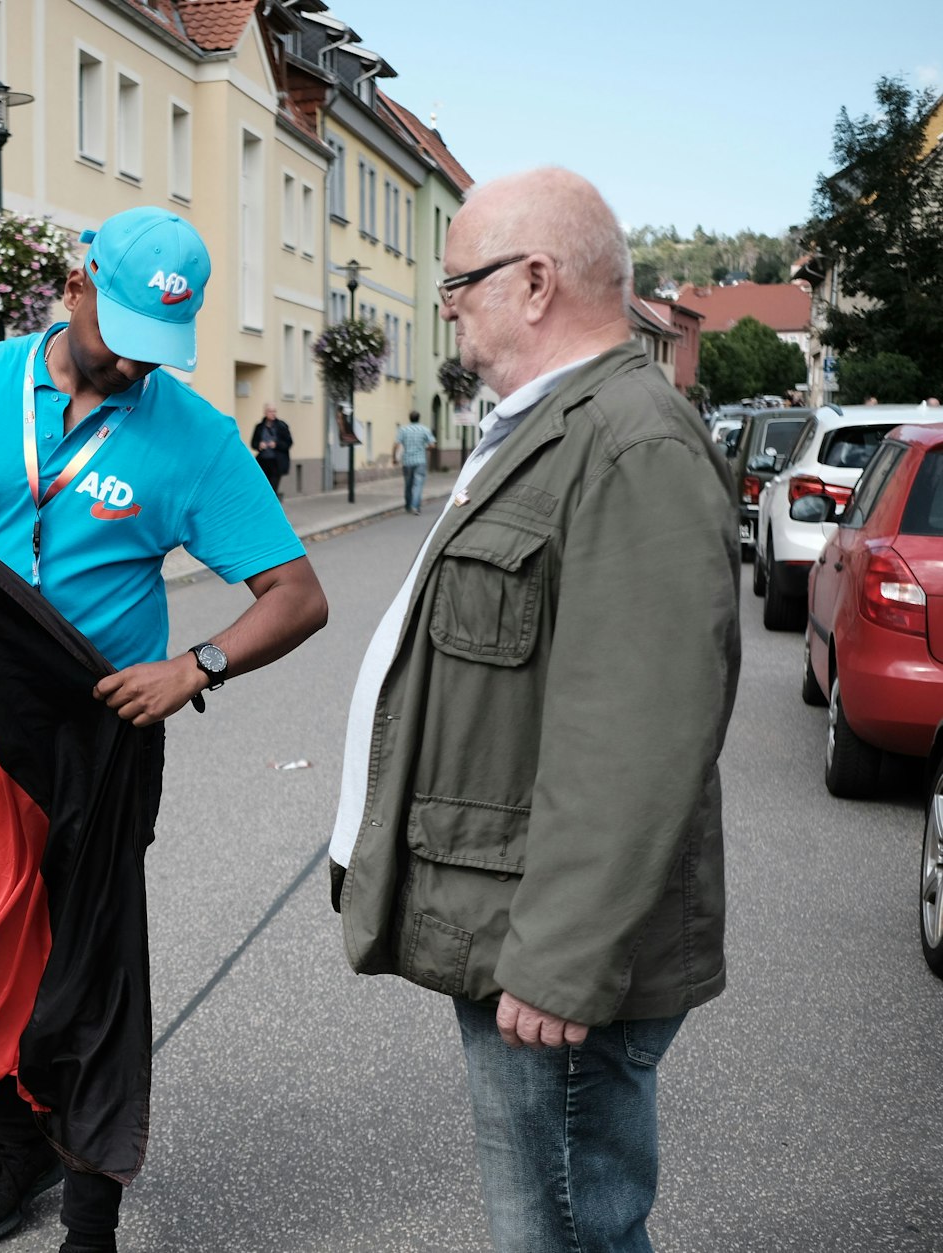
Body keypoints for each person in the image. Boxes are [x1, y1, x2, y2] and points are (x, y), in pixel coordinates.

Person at [0, 207, 328, 1253]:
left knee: (87, 965)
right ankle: (22, 1144)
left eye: (156, 345)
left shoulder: (197, 437)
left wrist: (195, 664)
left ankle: (89, 1204)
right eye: (120, 329)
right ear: (76, 283)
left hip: (100, 734)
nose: (133, 361)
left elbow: (296, 594)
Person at [327, 168, 739, 1253]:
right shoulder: (548, 425)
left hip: (553, 953)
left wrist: (560, 956)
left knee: (563, 1233)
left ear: (535, 282)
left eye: (458, 280)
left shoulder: (627, 440)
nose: (447, 303)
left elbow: (636, 733)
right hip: (514, 917)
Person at [391, 410, 436, 513]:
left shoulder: (403, 430)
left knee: (408, 484)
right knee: (418, 484)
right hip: (420, 461)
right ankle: (415, 506)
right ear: (419, 418)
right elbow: (432, 445)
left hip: (407, 461)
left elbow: (396, 444)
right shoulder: (424, 429)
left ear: (409, 418)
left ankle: (408, 506)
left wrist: (394, 458)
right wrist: (424, 448)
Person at [250, 403, 294, 496]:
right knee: (264, 487)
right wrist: (259, 445)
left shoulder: (282, 426)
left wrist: (276, 444)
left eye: (274, 411)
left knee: (273, 488)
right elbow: (253, 443)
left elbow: (289, 443)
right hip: (263, 461)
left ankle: (273, 506)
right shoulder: (259, 427)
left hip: (277, 462)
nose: (273, 413)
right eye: (270, 411)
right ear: (265, 413)